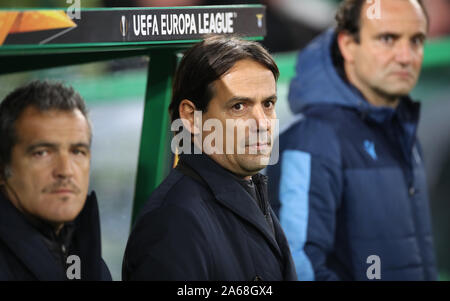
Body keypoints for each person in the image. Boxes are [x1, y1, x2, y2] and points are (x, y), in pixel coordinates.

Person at [267, 0, 437, 280]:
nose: (406, 56)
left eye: (416, 40)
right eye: (387, 38)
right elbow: (300, 268)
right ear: (348, 45)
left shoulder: (403, 132)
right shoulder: (312, 141)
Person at [122, 35, 297, 281]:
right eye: (239, 106)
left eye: (268, 103)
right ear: (191, 117)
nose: (262, 123)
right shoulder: (173, 223)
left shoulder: (249, 191)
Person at [0, 80, 111, 281]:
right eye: (42, 153)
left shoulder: (86, 256)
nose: (65, 171)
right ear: (3, 168)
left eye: (77, 151)